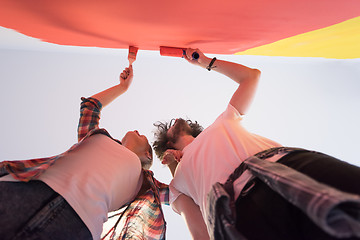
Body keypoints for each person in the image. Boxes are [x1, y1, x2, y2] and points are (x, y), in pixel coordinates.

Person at [153, 49, 360, 240]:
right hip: (236, 211)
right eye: (170, 125)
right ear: (168, 142)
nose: (177, 119)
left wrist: (206, 62)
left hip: (284, 164)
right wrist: (173, 167)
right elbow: (201, 234)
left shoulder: (222, 121)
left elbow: (251, 77)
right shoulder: (177, 184)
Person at [0, 65, 169, 240]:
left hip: (75, 225)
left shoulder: (145, 184)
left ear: (147, 155)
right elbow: (90, 107)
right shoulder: (95, 138)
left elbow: (181, 193)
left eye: (141, 136)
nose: (136, 130)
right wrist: (122, 87)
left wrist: (175, 160)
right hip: (27, 189)